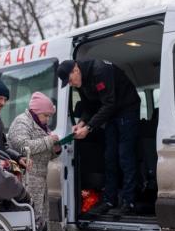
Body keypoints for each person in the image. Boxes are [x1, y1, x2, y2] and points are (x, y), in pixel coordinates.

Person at [57, 59, 141, 215]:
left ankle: (129, 202)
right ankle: (109, 200)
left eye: (69, 80)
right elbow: (89, 105)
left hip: (127, 109)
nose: (71, 84)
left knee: (125, 156)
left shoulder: (100, 71)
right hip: (112, 114)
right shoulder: (80, 82)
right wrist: (81, 122)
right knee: (109, 157)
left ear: (76, 70)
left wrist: (89, 128)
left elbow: (109, 103)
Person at [7, 92, 61, 229]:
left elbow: (44, 150)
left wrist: (55, 150)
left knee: (39, 220)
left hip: (40, 179)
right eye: (46, 115)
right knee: (28, 220)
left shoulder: (42, 126)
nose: (47, 119)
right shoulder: (22, 122)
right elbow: (23, 147)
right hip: (27, 179)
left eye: (49, 116)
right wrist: (49, 141)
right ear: (36, 112)